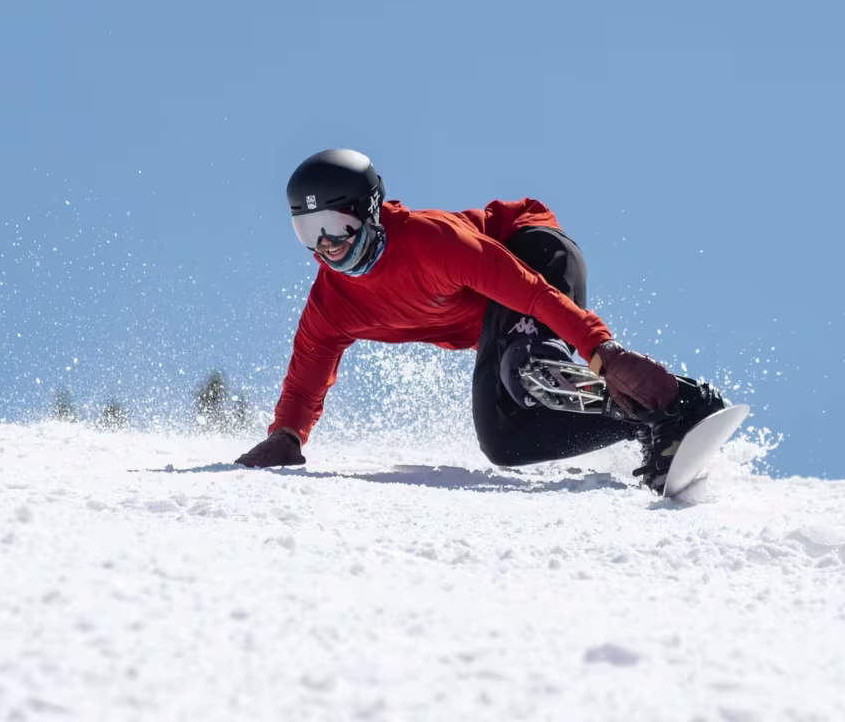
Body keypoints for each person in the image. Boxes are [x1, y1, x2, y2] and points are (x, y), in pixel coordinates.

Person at [235, 149, 725, 492]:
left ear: (368, 211)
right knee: (506, 440)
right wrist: (287, 436)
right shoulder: (332, 302)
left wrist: (604, 353)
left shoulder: (429, 244)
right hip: (501, 318)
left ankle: (685, 401)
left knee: (526, 366)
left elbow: (531, 292)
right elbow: (305, 380)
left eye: (334, 227)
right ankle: (651, 421)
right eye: (307, 230)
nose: (325, 245)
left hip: (531, 252)